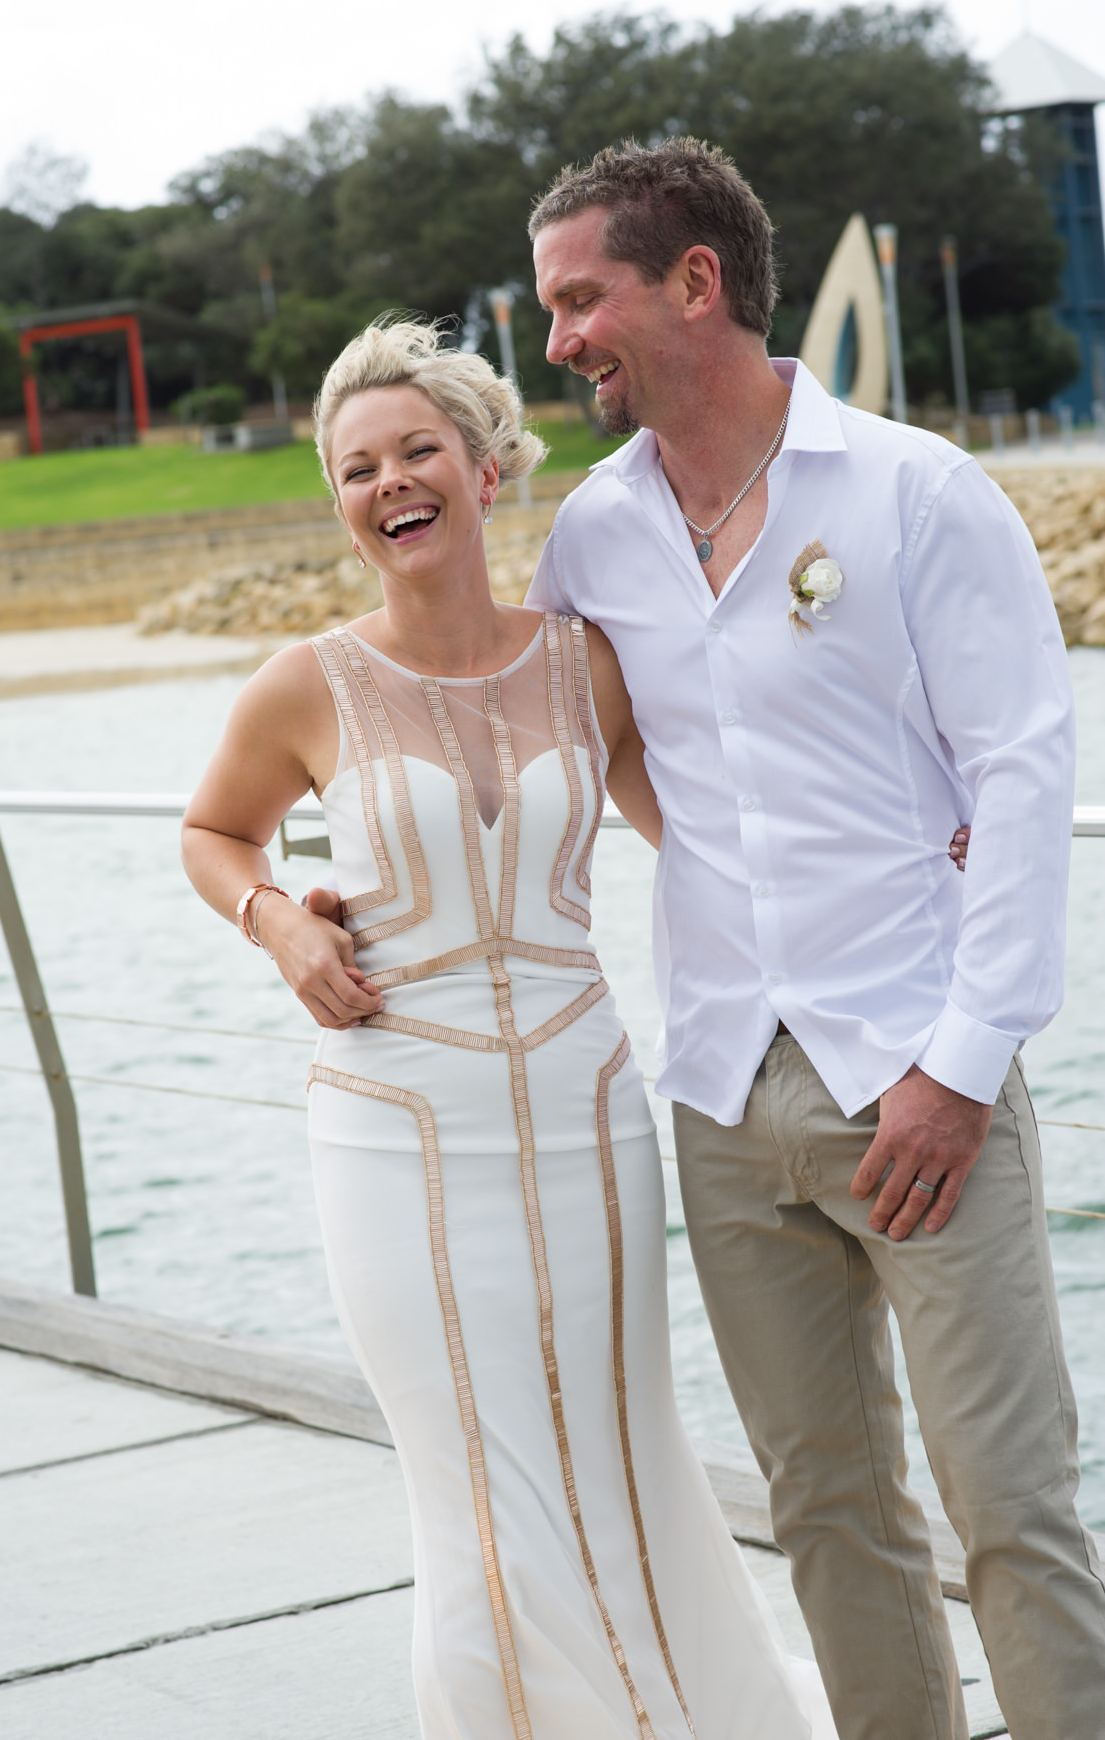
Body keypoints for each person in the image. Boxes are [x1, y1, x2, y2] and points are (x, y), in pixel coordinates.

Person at [181, 320, 840, 1737]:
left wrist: (910, 850)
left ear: (488, 471)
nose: (392, 482)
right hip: (393, 1125)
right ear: (341, 502)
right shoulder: (306, 683)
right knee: (469, 1467)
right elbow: (213, 832)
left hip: (587, 1113)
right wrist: (279, 924)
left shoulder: (586, 665)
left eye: (420, 450)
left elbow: (718, 839)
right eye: (359, 467)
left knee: (617, 1438)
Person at [524, 136, 1105, 1740]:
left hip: (921, 1080)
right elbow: (623, 749)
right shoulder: (594, 531)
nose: (559, 338)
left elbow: (1023, 772)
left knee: (1013, 1513)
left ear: (693, 283)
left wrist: (964, 1070)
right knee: (830, 1516)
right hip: (720, 1093)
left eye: (583, 298)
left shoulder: (916, 492)